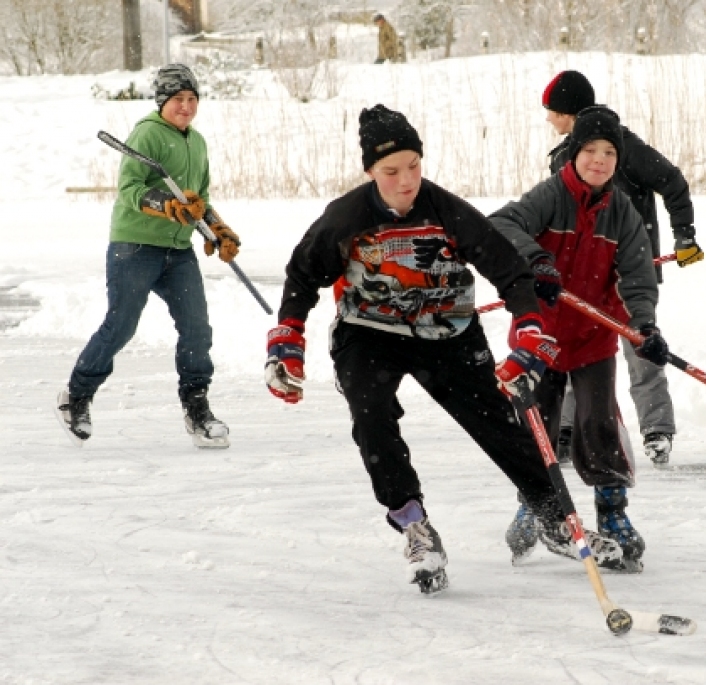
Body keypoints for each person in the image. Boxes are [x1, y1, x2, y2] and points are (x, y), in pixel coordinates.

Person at [263, 104, 621, 594]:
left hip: (448, 332)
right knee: (372, 420)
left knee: (498, 419)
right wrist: (287, 338)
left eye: (414, 166)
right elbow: (303, 275)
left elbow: (510, 270)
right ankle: (414, 525)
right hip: (369, 334)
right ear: (370, 171)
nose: (406, 180)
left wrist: (529, 325)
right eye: (391, 171)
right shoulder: (346, 216)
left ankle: (553, 518)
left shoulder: (446, 209)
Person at [490, 105, 670, 573]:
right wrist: (537, 262)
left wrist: (644, 327)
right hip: (542, 335)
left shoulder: (622, 211)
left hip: (594, 335)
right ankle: (536, 506)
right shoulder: (552, 196)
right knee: (539, 428)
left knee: (598, 426)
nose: (600, 160)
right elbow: (501, 224)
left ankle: (613, 515)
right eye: (591, 150)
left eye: (610, 152)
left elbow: (636, 275)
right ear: (575, 153)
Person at [55, 64, 241, 449]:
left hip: (178, 251)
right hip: (134, 246)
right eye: (178, 100)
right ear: (163, 101)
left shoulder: (198, 142)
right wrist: (168, 205)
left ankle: (197, 408)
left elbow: (198, 199)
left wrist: (218, 229)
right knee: (121, 326)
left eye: (192, 99)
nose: (186, 107)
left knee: (197, 330)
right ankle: (76, 397)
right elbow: (130, 189)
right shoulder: (147, 134)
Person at [541, 70, 699, 466]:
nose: (548, 119)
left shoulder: (623, 147)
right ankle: (565, 429)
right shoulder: (564, 156)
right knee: (576, 351)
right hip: (581, 277)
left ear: (568, 111)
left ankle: (657, 431)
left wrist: (685, 236)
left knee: (640, 348)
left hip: (629, 275)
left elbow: (673, 182)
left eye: (552, 111)